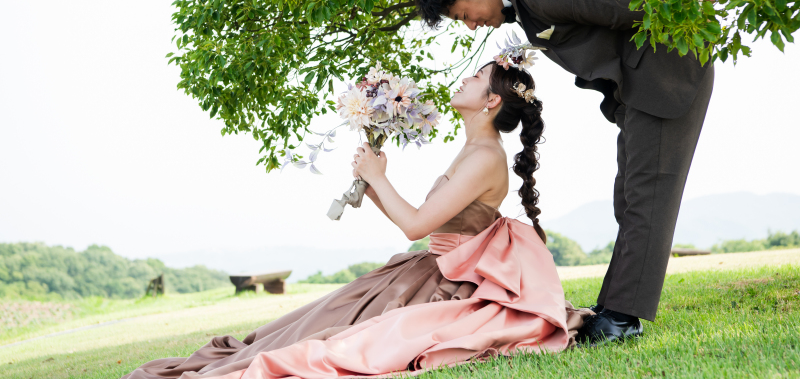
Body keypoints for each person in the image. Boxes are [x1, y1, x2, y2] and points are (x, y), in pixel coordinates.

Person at [122, 61, 590, 379]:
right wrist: (374, 184)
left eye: (477, 77)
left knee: (338, 337)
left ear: (491, 101)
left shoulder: (486, 156)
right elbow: (425, 221)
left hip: (444, 281)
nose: (465, 79)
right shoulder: (472, 149)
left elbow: (416, 227)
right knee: (318, 318)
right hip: (423, 266)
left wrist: (378, 178)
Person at [415, 0, 715, 345]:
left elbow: (629, 8)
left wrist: (682, 2)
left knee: (648, 195)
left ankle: (623, 318)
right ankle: (614, 307)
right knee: (630, 196)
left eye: (463, 15)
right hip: (638, 89)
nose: (471, 26)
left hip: (666, 79)